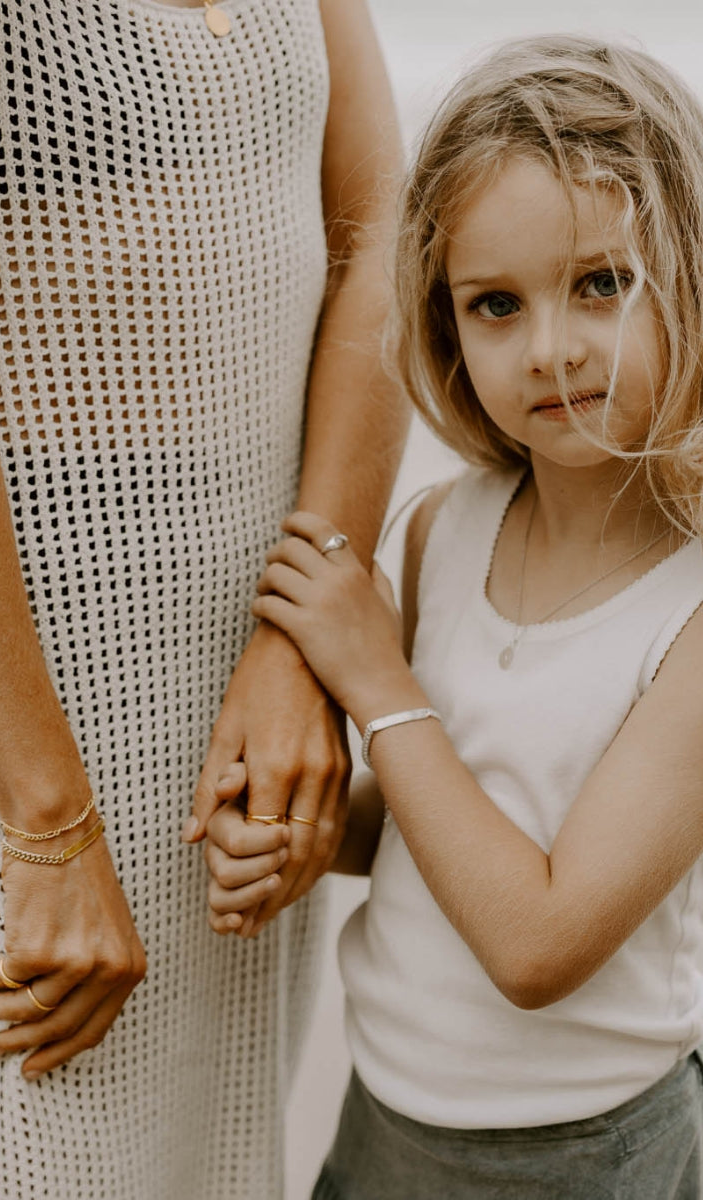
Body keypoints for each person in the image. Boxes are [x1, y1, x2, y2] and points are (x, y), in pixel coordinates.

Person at [0, 0, 405, 1196]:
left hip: (240, 676)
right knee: (30, 1132)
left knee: (214, 1151)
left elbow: (383, 234)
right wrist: (50, 823)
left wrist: (295, 648)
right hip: (0, 705)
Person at [203, 35, 703, 1197]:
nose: (549, 350)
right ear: (443, 327)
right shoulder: (443, 528)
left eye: (599, 283)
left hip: (582, 1155)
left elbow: (536, 945)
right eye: (492, 304)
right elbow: (440, 823)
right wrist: (313, 837)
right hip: (383, 1116)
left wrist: (377, 686)